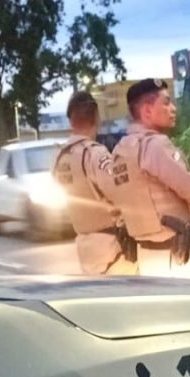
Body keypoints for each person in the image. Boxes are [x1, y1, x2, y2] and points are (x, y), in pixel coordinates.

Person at [110, 78, 190, 279]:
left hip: (146, 257)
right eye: (166, 102)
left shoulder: (121, 151)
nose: (173, 109)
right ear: (147, 111)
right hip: (174, 260)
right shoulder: (154, 146)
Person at [52, 91, 138, 275]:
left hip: (85, 246)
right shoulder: (95, 154)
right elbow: (119, 191)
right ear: (97, 118)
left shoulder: (60, 157)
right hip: (112, 248)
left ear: (70, 121)